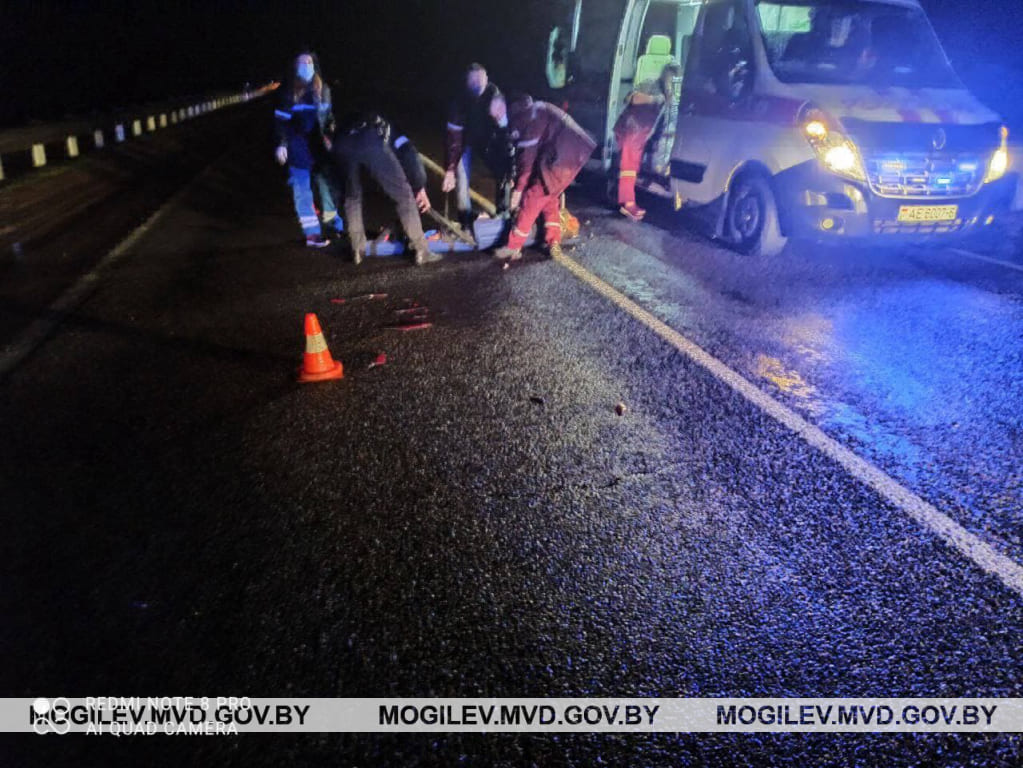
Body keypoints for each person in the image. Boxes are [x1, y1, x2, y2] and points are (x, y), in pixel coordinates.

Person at [490, 93, 596, 261]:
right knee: (549, 198)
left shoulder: (525, 119)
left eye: (496, 115)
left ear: (504, 109)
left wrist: (518, 191)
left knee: (532, 198)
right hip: (575, 154)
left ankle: (513, 246)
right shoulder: (534, 110)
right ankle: (553, 240)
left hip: (561, 157)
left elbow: (527, 159)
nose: (496, 119)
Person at [332, 112, 439, 266]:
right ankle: (421, 250)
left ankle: (357, 251)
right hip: (370, 142)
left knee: (352, 198)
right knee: (404, 196)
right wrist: (419, 187)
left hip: (342, 144)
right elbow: (411, 157)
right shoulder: (396, 134)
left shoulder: (356, 119)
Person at [274, 51, 343, 248]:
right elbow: (281, 122)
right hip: (297, 149)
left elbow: (329, 118)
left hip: (319, 148)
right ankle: (312, 234)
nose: (306, 64)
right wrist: (281, 144)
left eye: (309, 61)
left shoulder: (324, 90)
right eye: (301, 62)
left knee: (327, 188)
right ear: (295, 67)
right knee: (302, 191)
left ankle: (334, 225)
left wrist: (331, 136)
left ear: (315, 65)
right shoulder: (288, 92)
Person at [442, 63, 512, 229]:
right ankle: (465, 217)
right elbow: (454, 139)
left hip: (489, 141)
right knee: (460, 175)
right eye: (472, 80)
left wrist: (511, 168)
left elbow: (505, 135)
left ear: (487, 79)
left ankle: (504, 213)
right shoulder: (459, 101)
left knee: (504, 173)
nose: (477, 84)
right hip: (465, 141)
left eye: (480, 80)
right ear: (466, 81)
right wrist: (450, 170)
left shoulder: (496, 97)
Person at [613, 62, 682, 221]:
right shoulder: (650, 85)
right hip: (630, 129)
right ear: (666, 76)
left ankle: (626, 200)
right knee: (628, 168)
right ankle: (627, 205)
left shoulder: (671, 95)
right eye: (672, 78)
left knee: (632, 168)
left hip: (640, 134)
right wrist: (653, 99)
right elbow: (630, 98)